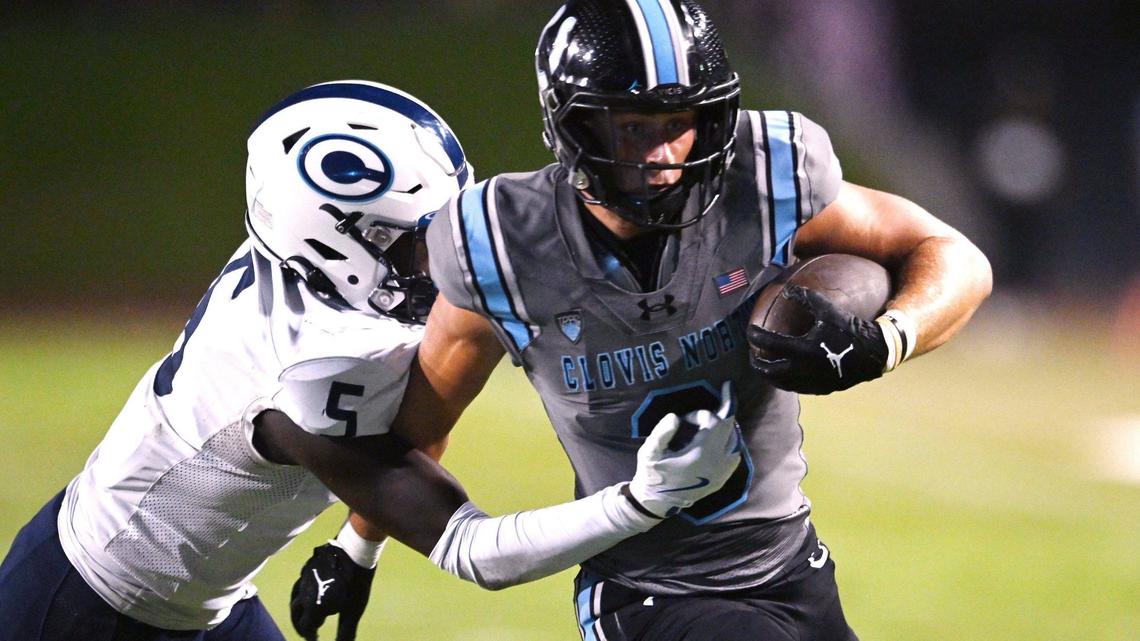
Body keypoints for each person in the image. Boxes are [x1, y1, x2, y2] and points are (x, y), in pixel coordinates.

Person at [293, 1, 994, 639]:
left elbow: (954, 257)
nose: (661, 157)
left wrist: (883, 339)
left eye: (679, 126)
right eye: (633, 128)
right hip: (646, 592)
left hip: (790, 563)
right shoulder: (503, 244)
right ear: (573, 124)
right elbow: (424, 421)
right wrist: (356, 546)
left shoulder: (768, 174)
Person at [0, 79, 745, 641]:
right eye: (413, 242)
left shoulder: (304, 263)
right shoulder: (310, 375)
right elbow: (473, 549)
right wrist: (640, 500)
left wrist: (355, 545)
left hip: (197, 597)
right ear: (338, 240)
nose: (441, 256)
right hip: (85, 609)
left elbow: (422, 402)